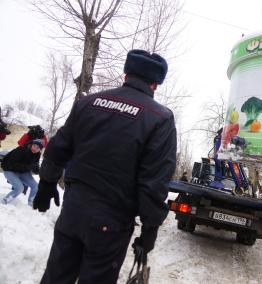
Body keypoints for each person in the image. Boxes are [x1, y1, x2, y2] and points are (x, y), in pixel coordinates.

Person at [32, 49, 176, 284]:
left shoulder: (89, 102)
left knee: (56, 277)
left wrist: (47, 182)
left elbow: (58, 147)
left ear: (125, 74)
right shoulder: (160, 118)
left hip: (73, 211)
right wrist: (150, 229)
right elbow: (154, 180)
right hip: (110, 224)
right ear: (155, 84)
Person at [1, 139, 43, 206]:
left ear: (40, 149)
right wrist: (29, 167)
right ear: (32, 144)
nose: (35, 148)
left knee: (36, 187)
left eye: (38, 148)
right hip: (10, 170)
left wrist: (38, 170)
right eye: (34, 145)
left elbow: (35, 167)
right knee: (19, 188)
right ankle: (4, 201)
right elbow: (12, 164)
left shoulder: (37, 154)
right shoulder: (21, 150)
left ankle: (31, 203)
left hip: (23, 172)